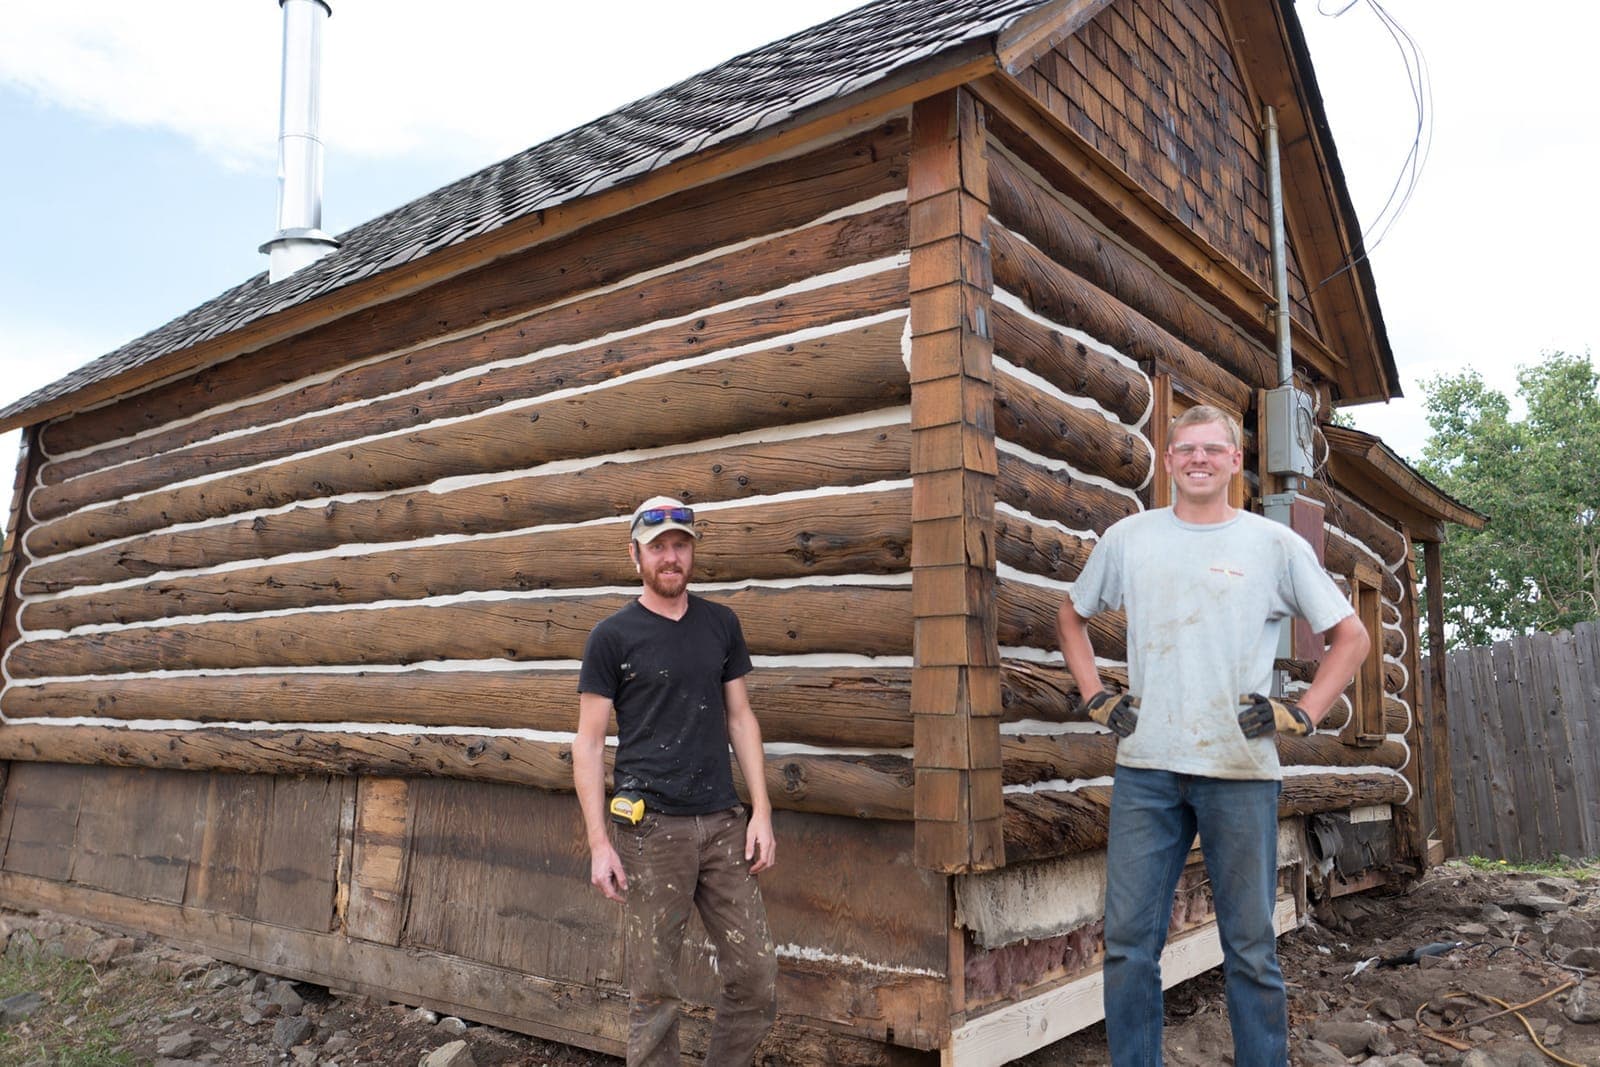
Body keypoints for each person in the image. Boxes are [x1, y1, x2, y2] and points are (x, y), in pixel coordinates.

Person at [1056, 406, 1370, 1067]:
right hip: (1147, 768)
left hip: (1240, 771)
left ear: (1235, 463)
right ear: (1168, 463)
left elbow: (1353, 637)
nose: (1198, 458)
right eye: (1185, 449)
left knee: (1250, 947)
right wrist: (1093, 695)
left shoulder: (1273, 545)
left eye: (1213, 449)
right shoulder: (1130, 538)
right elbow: (1071, 614)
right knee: (1128, 945)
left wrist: (1305, 712)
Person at [574, 495, 778, 1067]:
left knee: (757, 977)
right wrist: (598, 845)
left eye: (680, 546)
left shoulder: (720, 624)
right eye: (658, 546)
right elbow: (588, 743)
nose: (671, 556)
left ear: (692, 552)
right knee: (655, 990)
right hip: (651, 831)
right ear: (635, 554)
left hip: (722, 825)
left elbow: (740, 717)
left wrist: (760, 811)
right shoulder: (611, 637)